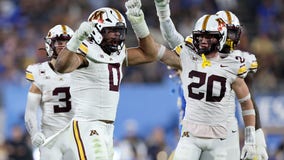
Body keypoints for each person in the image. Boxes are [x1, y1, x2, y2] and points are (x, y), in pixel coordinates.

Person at [125, 0, 257, 159]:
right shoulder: (188, 56)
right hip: (191, 134)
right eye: (200, 37)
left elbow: (247, 102)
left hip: (221, 136)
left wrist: (251, 140)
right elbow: (159, 48)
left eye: (209, 37)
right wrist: (143, 21)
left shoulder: (234, 64)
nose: (203, 41)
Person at [42, 7, 178, 160]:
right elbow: (61, 66)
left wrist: (139, 23)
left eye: (118, 31)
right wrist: (76, 39)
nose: (116, 35)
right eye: (111, 31)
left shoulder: (117, 54)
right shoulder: (85, 50)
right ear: (96, 31)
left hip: (107, 127)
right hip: (87, 125)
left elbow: (150, 54)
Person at [24, 24, 75, 159]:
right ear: (50, 44)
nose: (63, 46)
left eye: (67, 42)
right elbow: (30, 110)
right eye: (59, 42)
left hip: (76, 135)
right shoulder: (39, 72)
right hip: (50, 137)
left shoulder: (82, 70)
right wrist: (34, 132)